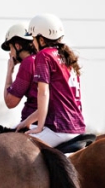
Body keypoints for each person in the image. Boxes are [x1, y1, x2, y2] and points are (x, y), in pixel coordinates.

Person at [15, 14, 86, 147]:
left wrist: (39, 127)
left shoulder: (44, 55)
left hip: (59, 129)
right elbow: (52, 105)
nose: (33, 44)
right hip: (78, 127)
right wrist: (26, 122)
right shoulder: (67, 56)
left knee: (16, 149)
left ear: (41, 40)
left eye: (34, 39)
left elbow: (43, 94)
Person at [1, 22, 38, 122]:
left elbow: (10, 102)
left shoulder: (28, 62)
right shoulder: (44, 58)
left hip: (33, 122)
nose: (10, 53)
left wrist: (10, 71)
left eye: (11, 48)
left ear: (17, 46)